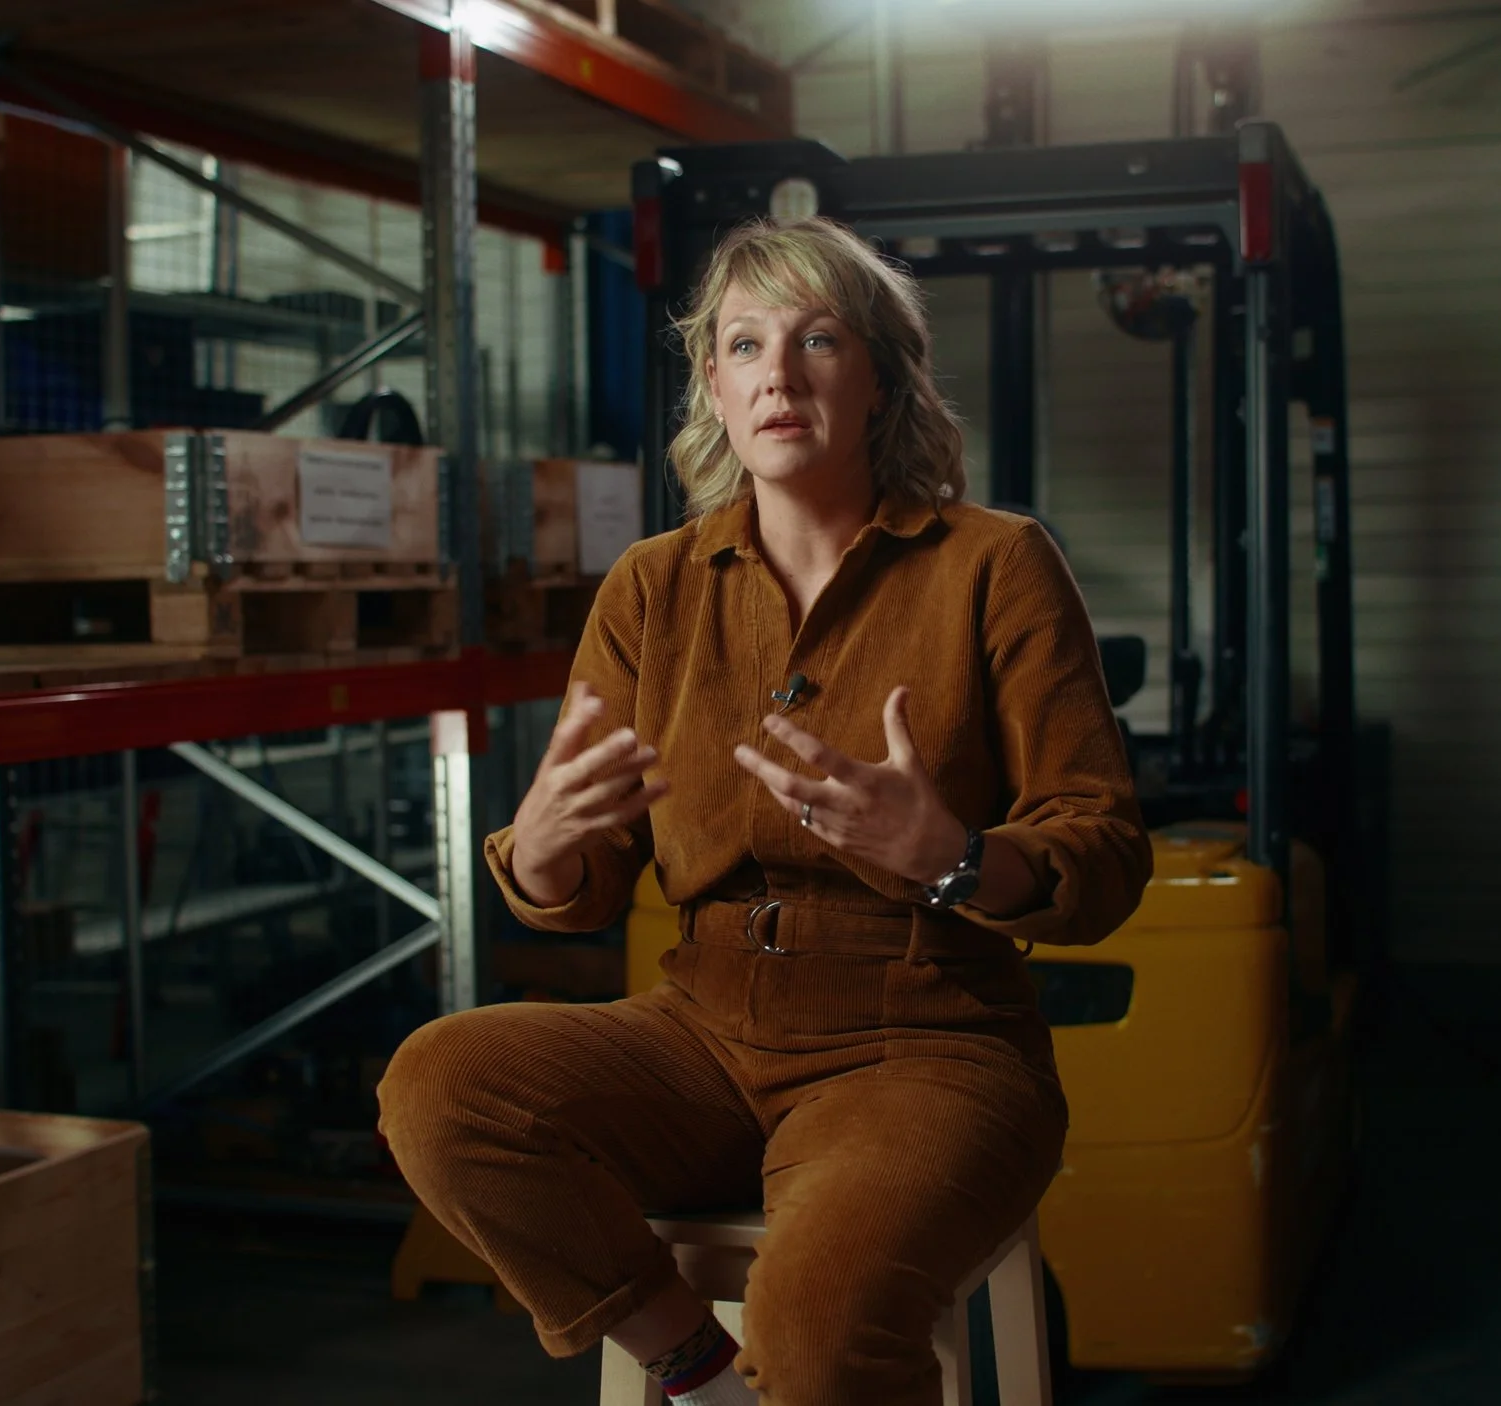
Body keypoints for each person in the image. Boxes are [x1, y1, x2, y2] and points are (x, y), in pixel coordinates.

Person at [378, 215, 1152, 1405]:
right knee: (440, 1084)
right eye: (745, 345)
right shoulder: (651, 585)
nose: (778, 374)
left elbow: (1103, 850)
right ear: (714, 386)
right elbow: (584, 880)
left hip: (929, 1044)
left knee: (818, 1323)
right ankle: (700, 1377)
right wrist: (539, 851)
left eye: (818, 339)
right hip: (702, 1026)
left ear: (879, 376)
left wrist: (951, 854)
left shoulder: (994, 563)